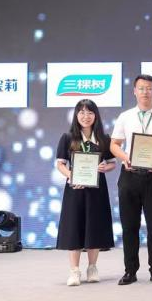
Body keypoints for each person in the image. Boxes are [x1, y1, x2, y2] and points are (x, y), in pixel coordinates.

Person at [110, 74, 152, 285]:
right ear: (134, 91)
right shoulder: (125, 117)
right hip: (129, 176)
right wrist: (125, 158)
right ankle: (130, 271)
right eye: (141, 88)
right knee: (129, 226)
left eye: (149, 88)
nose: (145, 92)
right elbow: (114, 144)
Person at [55, 99, 116, 286]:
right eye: (81, 112)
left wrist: (105, 167)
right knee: (74, 227)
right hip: (75, 190)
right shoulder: (68, 138)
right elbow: (60, 164)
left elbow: (112, 163)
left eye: (89, 112)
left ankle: (92, 267)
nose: (85, 116)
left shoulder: (104, 138)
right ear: (76, 115)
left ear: (95, 115)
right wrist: (72, 176)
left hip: (97, 191)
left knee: (94, 227)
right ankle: (74, 271)